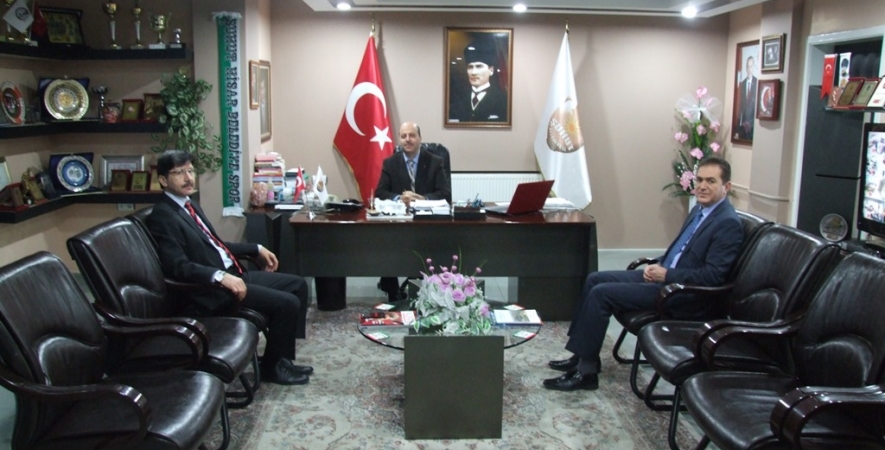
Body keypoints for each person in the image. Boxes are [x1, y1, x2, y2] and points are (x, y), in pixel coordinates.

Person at [544, 156, 743, 391]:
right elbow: (682, 251)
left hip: (683, 294)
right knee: (594, 278)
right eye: (699, 180)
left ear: (726, 187)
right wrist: (657, 264)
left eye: (711, 181)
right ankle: (581, 355)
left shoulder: (727, 223)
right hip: (665, 278)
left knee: (601, 294)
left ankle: (586, 373)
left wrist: (666, 275)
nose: (702, 186)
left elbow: (712, 277)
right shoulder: (700, 211)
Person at [146, 149, 313, 386]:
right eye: (179, 172)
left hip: (235, 273)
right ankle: (273, 369)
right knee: (287, 303)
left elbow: (215, 244)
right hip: (213, 290)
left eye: (191, 171)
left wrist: (256, 248)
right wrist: (219, 276)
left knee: (297, 285)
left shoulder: (189, 205)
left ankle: (281, 359)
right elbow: (177, 266)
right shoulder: (163, 215)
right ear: (163, 180)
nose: (188, 178)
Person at [374, 121, 451, 301]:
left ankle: (423, 285)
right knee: (385, 242)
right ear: (400, 140)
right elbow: (380, 193)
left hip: (427, 225)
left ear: (420, 138)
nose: (408, 139)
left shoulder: (435, 162)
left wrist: (423, 199)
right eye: (403, 136)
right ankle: (392, 291)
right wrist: (399, 198)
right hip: (399, 224)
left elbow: (445, 194)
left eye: (412, 135)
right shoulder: (390, 163)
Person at [448, 38, 508, 123]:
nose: (473, 72)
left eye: (479, 66)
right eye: (470, 67)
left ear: (491, 70)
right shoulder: (458, 100)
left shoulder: (502, 100)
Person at [737, 56, 757, 140]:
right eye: (748, 67)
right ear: (746, 68)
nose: (749, 69)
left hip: (753, 125)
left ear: (753, 67)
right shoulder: (742, 84)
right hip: (743, 126)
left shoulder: (757, 83)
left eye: (751, 67)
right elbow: (740, 105)